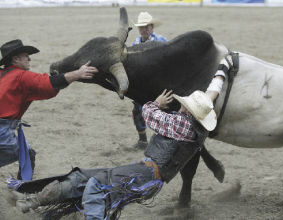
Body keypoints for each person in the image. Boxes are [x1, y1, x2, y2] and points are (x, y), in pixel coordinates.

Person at [9, 89, 224, 220]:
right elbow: (212, 92)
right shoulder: (197, 130)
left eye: (186, 106)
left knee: (94, 186)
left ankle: (33, 201)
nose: (182, 108)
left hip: (145, 175)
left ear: (189, 112)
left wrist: (156, 103)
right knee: (82, 179)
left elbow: (148, 113)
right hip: (147, 177)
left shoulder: (181, 125)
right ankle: (32, 202)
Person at [0, 39, 98, 181]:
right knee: (26, 155)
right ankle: (22, 189)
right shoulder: (22, 76)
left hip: (5, 127)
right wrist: (78, 73)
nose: (29, 58)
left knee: (27, 153)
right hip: (3, 129)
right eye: (26, 55)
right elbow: (50, 84)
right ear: (15, 59)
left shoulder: (3, 73)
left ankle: (21, 187)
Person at [131, 11, 168, 149]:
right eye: (141, 27)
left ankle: (164, 140)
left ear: (152, 27)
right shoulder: (134, 44)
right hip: (142, 83)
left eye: (147, 26)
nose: (144, 29)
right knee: (138, 111)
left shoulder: (162, 41)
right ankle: (142, 140)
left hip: (159, 82)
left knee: (164, 111)